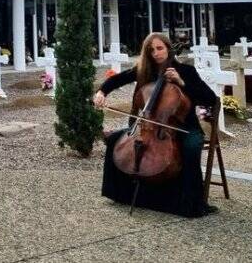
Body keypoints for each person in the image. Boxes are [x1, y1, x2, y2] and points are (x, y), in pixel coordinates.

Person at [93, 32, 219, 217]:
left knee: (191, 147)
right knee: (114, 140)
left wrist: (181, 82)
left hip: (185, 127)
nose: (156, 53)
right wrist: (101, 92)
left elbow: (209, 99)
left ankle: (194, 203)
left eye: (160, 48)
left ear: (168, 48)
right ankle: (122, 195)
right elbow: (117, 79)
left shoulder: (186, 71)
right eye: (151, 50)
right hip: (149, 127)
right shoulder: (145, 71)